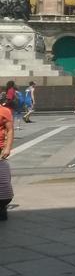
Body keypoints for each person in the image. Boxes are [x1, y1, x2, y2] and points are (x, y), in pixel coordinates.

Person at [0, 93, 12, 221]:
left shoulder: (4, 111)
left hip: (0, 149)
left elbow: (10, 130)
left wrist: (8, 147)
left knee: (2, 178)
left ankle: (2, 205)